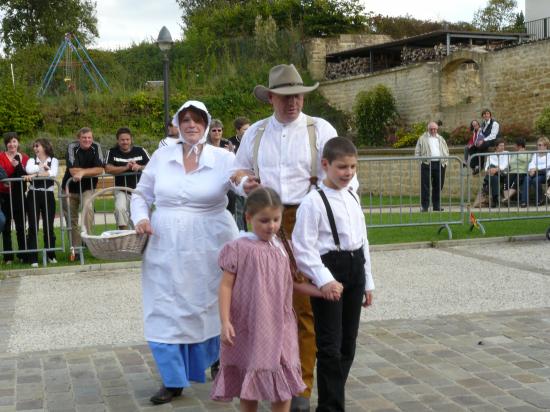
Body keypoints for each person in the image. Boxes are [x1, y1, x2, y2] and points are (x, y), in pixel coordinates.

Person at [233, 63, 343, 411]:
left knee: (303, 307)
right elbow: (236, 170)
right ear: (270, 98)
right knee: (264, 306)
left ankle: (300, 389)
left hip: (305, 219)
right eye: (284, 96)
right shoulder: (256, 133)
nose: (292, 102)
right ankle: (269, 377)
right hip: (266, 220)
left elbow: (346, 175)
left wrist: (322, 188)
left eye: (296, 95)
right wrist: (243, 183)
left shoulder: (320, 129)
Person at [130, 100, 239, 405]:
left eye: (198, 120)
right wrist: (141, 217)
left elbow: (240, 183)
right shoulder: (163, 156)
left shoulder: (222, 157)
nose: (192, 125)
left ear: (206, 125)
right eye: (186, 120)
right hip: (165, 242)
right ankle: (172, 379)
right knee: (163, 307)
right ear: (178, 123)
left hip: (210, 243)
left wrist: (250, 183)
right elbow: (141, 194)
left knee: (211, 304)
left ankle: (219, 359)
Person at [210, 187, 323, 411]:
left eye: (275, 219)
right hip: (251, 326)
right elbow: (225, 286)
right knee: (250, 382)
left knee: (284, 383)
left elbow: (295, 283)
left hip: (281, 325)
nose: (271, 226)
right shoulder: (239, 248)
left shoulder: (284, 248)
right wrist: (225, 321)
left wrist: (322, 290)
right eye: (264, 220)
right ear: (249, 217)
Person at [292, 137, 375, 412]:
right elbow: (303, 248)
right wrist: (324, 279)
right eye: (342, 167)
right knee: (329, 345)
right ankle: (331, 407)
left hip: (355, 269)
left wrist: (368, 281)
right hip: (330, 271)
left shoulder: (352, 195)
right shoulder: (313, 202)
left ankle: (331, 399)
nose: (348, 173)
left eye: (353, 167)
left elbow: (363, 240)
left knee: (347, 345)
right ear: (325, 165)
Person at [61, 127, 104, 257]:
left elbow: (100, 169)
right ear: (78, 138)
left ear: (92, 138)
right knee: (71, 219)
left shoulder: (96, 147)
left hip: (88, 188)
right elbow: (73, 171)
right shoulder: (72, 147)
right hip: (69, 188)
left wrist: (83, 172)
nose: (87, 140)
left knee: (88, 209)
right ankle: (76, 249)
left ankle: (88, 240)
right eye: (84, 138)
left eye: (89, 137)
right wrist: (89, 170)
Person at [104, 127, 150, 229]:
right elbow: (108, 169)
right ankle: (123, 236)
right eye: (122, 140)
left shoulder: (140, 150)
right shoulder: (112, 152)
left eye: (127, 139)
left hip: (138, 190)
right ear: (118, 140)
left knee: (138, 215)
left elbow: (153, 166)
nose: (125, 142)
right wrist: (126, 167)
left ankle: (139, 240)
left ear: (131, 139)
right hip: (121, 189)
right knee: (120, 209)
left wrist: (139, 167)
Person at [25, 138, 59, 267]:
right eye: (34, 146)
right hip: (34, 194)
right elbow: (28, 170)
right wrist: (40, 169)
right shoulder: (31, 160)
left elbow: (52, 173)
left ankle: (51, 254)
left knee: (48, 226)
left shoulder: (53, 160)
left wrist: (35, 175)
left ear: (45, 146)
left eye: (37, 146)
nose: (35, 148)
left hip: (48, 194)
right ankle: (33, 257)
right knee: (33, 226)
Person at [0, 132, 29, 264]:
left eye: (14, 141)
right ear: (6, 144)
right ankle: (8, 256)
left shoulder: (24, 157)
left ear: (18, 143)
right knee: (5, 226)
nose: (12, 144)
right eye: (9, 142)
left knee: (20, 226)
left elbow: (26, 175)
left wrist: (18, 165)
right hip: (3, 195)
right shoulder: (0, 157)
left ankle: (23, 254)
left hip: (19, 195)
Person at [414, 122, 449, 212]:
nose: (433, 131)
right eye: (431, 129)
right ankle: (425, 206)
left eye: (435, 129)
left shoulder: (441, 138)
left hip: (440, 164)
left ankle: (436, 206)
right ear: (428, 129)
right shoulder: (422, 138)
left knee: (438, 185)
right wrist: (421, 161)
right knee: (425, 186)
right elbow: (417, 152)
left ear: (437, 129)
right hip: (426, 164)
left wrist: (445, 161)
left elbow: (446, 150)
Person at [227, 117, 250, 231]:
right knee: (239, 209)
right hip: (237, 180)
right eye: (245, 129)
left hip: (250, 179)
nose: (248, 132)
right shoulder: (230, 142)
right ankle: (240, 232)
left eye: (249, 129)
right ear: (237, 130)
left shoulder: (252, 141)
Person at [521, 136, 550, 207]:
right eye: (538, 145)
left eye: (540, 145)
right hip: (534, 173)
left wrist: (536, 168)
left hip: (544, 174)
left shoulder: (549, 154)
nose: (538, 147)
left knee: (536, 180)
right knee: (526, 179)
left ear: (546, 146)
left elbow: (548, 165)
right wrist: (531, 169)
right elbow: (531, 163)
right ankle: (524, 201)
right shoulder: (535, 154)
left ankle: (540, 200)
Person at [470, 109, 500, 174]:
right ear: (482, 116)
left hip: (493, 141)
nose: (486, 115)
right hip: (485, 141)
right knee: (472, 148)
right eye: (484, 114)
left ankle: (480, 166)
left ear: (490, 115)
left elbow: (493, 136)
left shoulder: (495, 123)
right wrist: (476, 141)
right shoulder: (483, 124)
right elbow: (481, 134)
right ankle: (473, 165)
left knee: (481, 146)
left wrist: (482, 141)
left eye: (487, 113)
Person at [482, 138, 509, 208]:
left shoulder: (507, 153)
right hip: (493, 175)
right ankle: (495, 199)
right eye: (500, 145)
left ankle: (486, 184)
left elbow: (505, 165)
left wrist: (495, 169)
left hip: (503, 174)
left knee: (492, 168)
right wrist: (490, 170)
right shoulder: (491, 155)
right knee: (495, 178)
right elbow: (486, 168)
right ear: (496, 147)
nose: (502, 147)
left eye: (503, 145)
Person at [503, 138, 530, 203]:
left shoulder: (528, 153)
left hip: (522, 172)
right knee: (506, 182)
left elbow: (526, 160)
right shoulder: (514, 154)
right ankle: (507, 200)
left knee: (515, 182)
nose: (513, 146)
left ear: (520, 146)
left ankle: (506, 199)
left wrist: (519, 153)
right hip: (512, 172)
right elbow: (510, 163)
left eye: (515, 145)